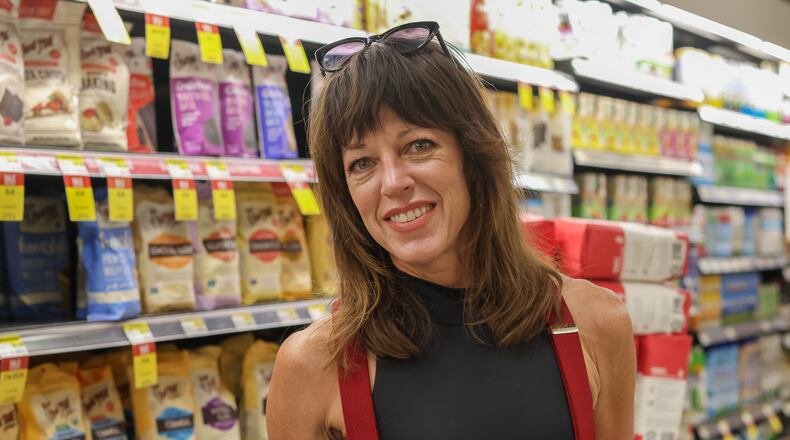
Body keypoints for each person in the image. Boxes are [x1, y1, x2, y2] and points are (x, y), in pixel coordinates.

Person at [267, 21, 635, 439]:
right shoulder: (313, 365)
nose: (392, 182)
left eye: (418, 145)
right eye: (362, 163)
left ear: (473, 157)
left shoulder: (596, 323)